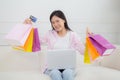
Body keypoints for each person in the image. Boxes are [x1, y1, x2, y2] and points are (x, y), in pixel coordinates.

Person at [24, 10, 85, 80]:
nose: (55, 24)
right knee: (55, 73)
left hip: (68, 67)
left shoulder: (73, 35)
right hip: (52, 68)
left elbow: (83, 51)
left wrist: (90, 40)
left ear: (64, 20)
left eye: (57, 21)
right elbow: (36, 41)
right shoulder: (49, 34)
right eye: (53, 22)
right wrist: (28, 27)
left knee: (67, 73)